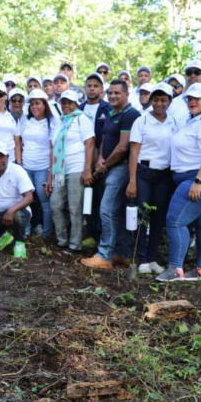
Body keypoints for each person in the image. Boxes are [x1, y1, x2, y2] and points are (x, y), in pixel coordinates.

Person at [156, 83, 201, 282]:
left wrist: (199, 181)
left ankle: (175, 269)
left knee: (175, 220)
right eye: (190, 98)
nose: (193, 101)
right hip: (197, 176)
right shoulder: (193, 120)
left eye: (198, 98)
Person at [81, 80, 140, 270]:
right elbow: (105, 138)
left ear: (126, 94)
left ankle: (104, 255)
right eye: (111, 93)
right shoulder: (111, 113)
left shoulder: (131, 114)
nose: (113, 96)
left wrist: (104, 165)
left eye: (117, 93)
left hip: (121, 168)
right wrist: (100, 158)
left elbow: (123, 147)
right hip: (108, 166)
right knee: (116, 211)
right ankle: (122, 253)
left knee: (106, 210)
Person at [125, 84, 177, 275]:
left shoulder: (174, 121)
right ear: (150, 100)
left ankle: (153, 257)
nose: (159, 103)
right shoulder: (142, 121)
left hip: (164, 175)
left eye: (163, 100)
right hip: (144, 172)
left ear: (169, 101)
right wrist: (132, 180)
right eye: (156, 99)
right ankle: (142, 259)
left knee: (158, 216)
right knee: (143, 215)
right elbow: (133, 153)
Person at [46, 90, 95, 252]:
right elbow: (53, 149)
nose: (66, 105)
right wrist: (50, 175)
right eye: (64, 102)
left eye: (70, 102)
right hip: (59, 171)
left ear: (76, 104)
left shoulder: (82, 119)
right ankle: (62, 240)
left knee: (75, 208)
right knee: (55, 204)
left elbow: (89, 144)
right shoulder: (60, 122)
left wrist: (87, 169)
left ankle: (75, 245)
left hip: (76, 168)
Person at [79, 73, 112, 247]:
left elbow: (108, 134)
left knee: (101, 197)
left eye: (96, 86)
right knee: (88, 196)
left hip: (102, 157)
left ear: (102, 89)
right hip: (83, 156)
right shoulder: (79, 108)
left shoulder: (107, 108)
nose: (92, 88)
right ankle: (90, 233)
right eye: (89, 85)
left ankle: (103, 237)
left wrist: (101, 158)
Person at [19, 89, 56, 240]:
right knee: (25, 199)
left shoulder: (52, 121)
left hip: (42, 167)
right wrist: (20, 162)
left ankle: (46, 234)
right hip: (26, 165)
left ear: (45, 104)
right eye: (32, 104)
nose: (34, 106)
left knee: (44, 201)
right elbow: (19, 140)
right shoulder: (25, 119)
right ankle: (25, 230)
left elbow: (53, 147)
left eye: (38, 103)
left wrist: (50, 171)